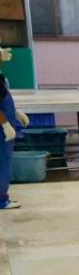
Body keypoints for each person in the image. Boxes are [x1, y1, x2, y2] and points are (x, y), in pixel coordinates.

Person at [0, 48, 29, 209]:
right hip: (1, 130)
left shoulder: (1, 77)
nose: (2, 59)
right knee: (2, 163)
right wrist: (5, 125)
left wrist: (16, 113)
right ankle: (1, 200)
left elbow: (3, 98)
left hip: (4, 125)